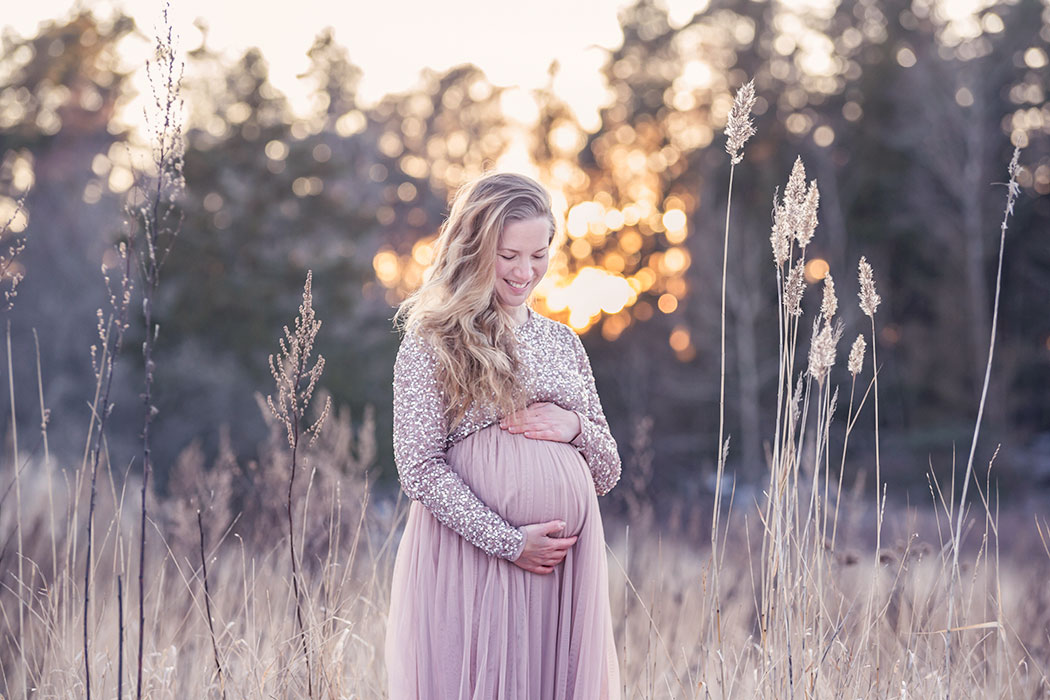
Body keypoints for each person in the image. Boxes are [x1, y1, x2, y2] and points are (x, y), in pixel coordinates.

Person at [385, 171, 622, 699]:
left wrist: (575, 427)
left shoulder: (563, 342)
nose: (526, 271)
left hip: (561, 571)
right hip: (476, 558)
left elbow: (607, 471)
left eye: (538, 254)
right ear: (473, 247)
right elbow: (418, 468)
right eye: (509, 255)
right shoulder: (431, 341)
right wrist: (509, 542)